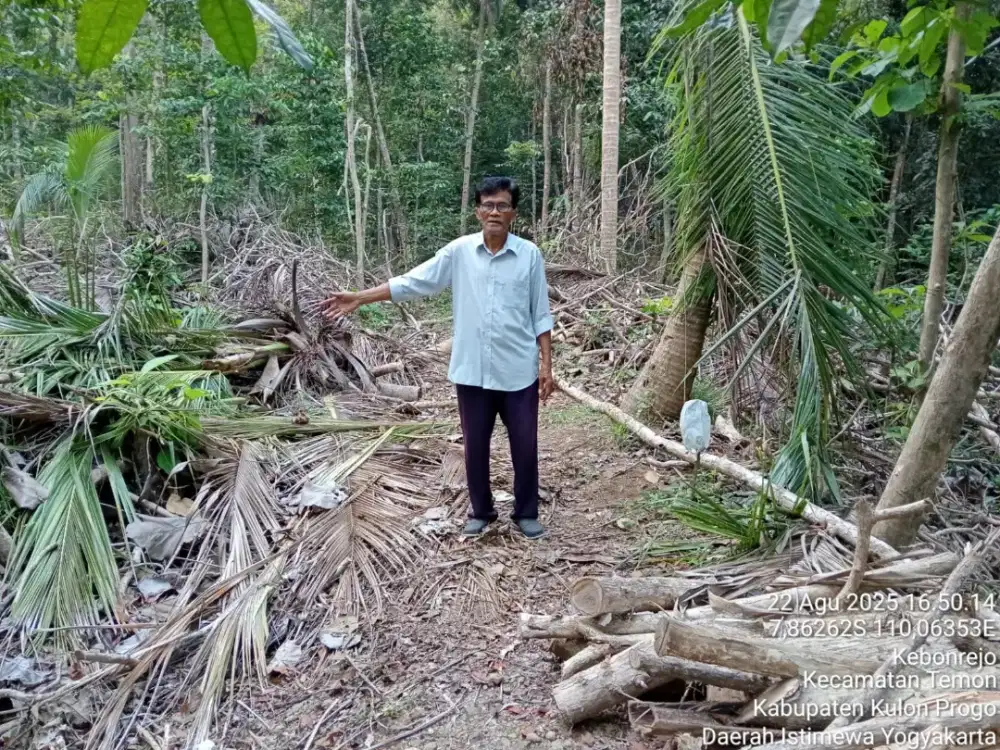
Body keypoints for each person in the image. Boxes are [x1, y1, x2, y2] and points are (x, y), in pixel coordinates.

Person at [320, 176, 554, 540]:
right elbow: (416, 281)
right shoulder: (459, 252)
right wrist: (360, 297)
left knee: (525, 444)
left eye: (502, 205)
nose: (495, 211)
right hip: (472, 370)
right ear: (477, 211)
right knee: (475, 445)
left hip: (517, 369)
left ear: (513, 213)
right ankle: (481, 511)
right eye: (488, 205)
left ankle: (525, 512)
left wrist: (546, 366)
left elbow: (540, 314)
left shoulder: (529, 256)